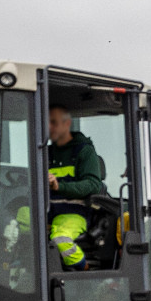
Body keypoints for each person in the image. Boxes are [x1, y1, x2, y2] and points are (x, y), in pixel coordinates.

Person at [47, 105, 108, 268]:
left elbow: (93, 185)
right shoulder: (45, 152)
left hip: (72, 213)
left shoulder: (84, 151)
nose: (49, 127)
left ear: (67, 124)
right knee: (11, 226)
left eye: (54, 122)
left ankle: (85, 270)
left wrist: (59, 186)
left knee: (61, 239)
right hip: (45, 212)